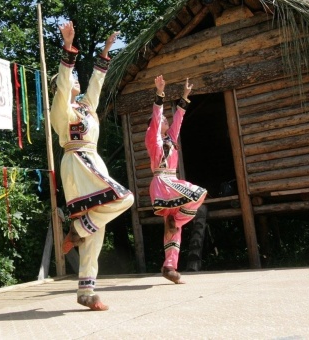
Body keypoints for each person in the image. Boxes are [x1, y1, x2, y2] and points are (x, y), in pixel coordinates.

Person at [50, 21, 134, 311]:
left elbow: (96, 82)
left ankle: (86, 290)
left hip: (92, 160)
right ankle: (78, 229)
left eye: (76, 79)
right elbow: (63, 81)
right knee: (125, 197)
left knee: (97, 229)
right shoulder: (61, 109)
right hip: (76, 161)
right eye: (71, 79)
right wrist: (67, 46)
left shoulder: (86, 107)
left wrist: (107, 49)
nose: (75, 81)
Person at [146, 75, 207, 284]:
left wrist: (184, 96)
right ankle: (177, 220)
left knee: (174, 229)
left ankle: (169, 267)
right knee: (198, 193)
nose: (165, 120)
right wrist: (160, 93)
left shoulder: (170, 138)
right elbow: (156, 116)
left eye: (165, 119)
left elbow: (179, 119)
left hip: (171, 183)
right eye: (162, 120)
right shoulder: (152, 138)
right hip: (163, 182)